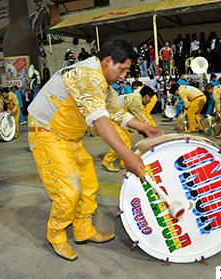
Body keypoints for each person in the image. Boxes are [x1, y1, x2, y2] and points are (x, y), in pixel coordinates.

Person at [26, 39, 162, 261]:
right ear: (108, 61)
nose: (124, 76)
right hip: (47, 134)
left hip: (71, 137)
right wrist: (127, 156)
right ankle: (57, 235)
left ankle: (83, 229)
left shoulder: (101, 81)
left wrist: (145, 127)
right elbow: (100, 120)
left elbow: (113, 111)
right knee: (68, 191)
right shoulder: (86, 75)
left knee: (88, 185)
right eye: (122, 69)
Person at [102, 86, 156, 172]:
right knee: (122, 140)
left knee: (127, 139)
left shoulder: (136, 97)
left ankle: (124, 162)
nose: (150, 101)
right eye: (150, 98)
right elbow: (142, 118)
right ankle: (107, 161)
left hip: (117, 117)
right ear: (145, 96)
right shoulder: (136, 101)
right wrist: (152, 132)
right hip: (112, 117)